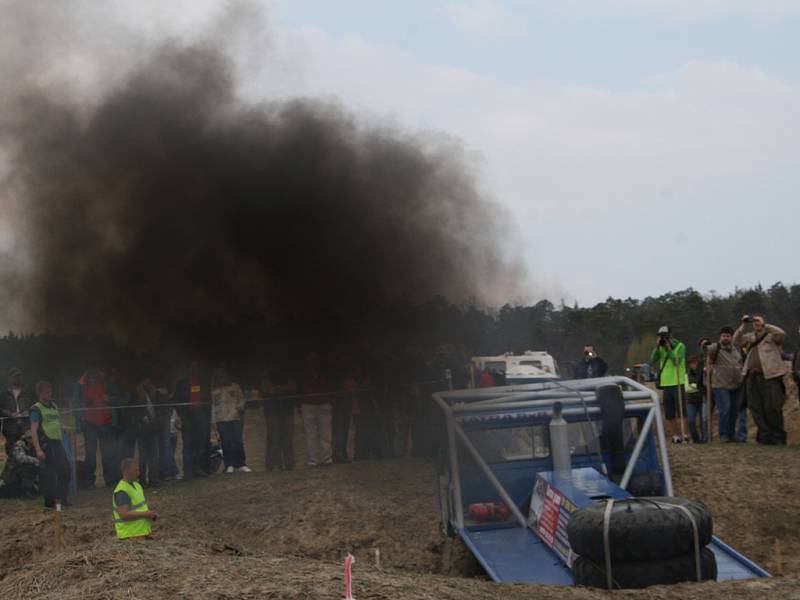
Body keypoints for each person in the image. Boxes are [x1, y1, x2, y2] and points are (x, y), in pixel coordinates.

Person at [734, 314, 789, 445]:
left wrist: (765, 325)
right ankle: (765, 436)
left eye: (758, 321)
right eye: (754, 322)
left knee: (772, 407)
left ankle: (778, 437)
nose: (756, 323)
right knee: (756, 407)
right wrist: (743, 324)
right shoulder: (750, 337)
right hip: (752, 376)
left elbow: (781, 333)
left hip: (770, 376)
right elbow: (737, 340)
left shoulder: (771, 336)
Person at [73, 364, 119, 487]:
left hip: (105, 421)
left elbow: (117, 397)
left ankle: (109, 480)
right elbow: (76, 403)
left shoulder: (106, 381)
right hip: (89, 423)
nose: (93, 371)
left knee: (107, 452)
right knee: (90, 454)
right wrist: (81, 415)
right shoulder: (80, 383)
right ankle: (89, 482)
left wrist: (109, 398)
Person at [30, 380, 71, 508]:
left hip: (57, 442)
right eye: (46, 392)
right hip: (45, 443)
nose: (49, 394)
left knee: (65, 469)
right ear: (40, 393)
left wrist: (65, 428)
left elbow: (56, 423)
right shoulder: (36, 409)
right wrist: (38, 450)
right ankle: (49, 503)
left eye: (50, 391)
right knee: (49, 474)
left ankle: (61, 498)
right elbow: (34, 431)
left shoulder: (54, 406)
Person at [703, 327, 746, 443]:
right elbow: (706, 349)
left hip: (736, 385)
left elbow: (741, 363)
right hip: (720, 385)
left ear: (731, 337)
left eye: (728, 336)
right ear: (720, 336)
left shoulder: (736, 349)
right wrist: (705, 345)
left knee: (734, 411)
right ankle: (723, 435)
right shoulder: (715, 347)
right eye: (724, 336)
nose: (726, 338)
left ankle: (731, 435)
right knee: (725, 410)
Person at [650, 326, 689, 443]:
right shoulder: (660, 348)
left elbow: (677, 362)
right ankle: (675, 436)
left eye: (665, 336)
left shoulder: (680, 346)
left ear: (670, 335)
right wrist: (658, 346)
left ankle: (685, 434)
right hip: (666, 384)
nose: (663, 338)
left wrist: (669, 349)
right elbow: (652, 359)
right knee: (669, 412)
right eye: (661, 336)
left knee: (681, 411)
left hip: (678, 382)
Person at [174, 361, 212, 479]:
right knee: (188, 444)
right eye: (192, 367)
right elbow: (177, 401)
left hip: (202, 417)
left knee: (201, 444)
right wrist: (182, 416)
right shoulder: (182, 384)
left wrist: (208, 417)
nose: (194, 370)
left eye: (196, 367)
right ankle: (188, 470)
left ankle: (199, 468)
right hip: (188, 418)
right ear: (188, 369)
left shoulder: (204, 382)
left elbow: (208, 400)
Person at [211, 367, 250, 473]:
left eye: (223, 375)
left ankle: (241, 464)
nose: (221, 378)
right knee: (226, 442)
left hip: (235, 417)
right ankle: (229, 464)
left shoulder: (235, 386)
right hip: (221, 419)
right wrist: (213, 420)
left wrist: (239, 407)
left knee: (237, 441)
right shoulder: (214, 390)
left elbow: (242, 398)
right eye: (219, 376)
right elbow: (212, 405)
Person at [262, 364, 297, 471]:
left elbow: (293, 387)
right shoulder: (266, 376)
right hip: (272, 412)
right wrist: (284, 389)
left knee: (288, 440)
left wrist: (278, 388)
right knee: (274, 440)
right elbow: (270, 391)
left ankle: (289, 464)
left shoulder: (288, 375)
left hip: (287, 411)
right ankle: (276, 465)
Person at [113, 457, 158, 540]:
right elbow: (124, 515)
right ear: (126, 472)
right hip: (130, 536)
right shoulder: (122, 491)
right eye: (135, 470)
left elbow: (139, 508)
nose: (138, 473)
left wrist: (149, 515)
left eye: (138, 470)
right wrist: (145, 514)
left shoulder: (137, 485)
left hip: (141, 533)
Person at [301, 353, 333, 467]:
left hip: (319, 404)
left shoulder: (323, 372)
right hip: (311, 404)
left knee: (321, 434)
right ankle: (317, 460)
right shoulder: (306, 373)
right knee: (315, 434)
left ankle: (322, 459)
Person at [1, 367, 32, 457]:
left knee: (26, 454)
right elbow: (1, 409)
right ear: (10, 378)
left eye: (19, 376)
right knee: (12, 454)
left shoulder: (27, 392)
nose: (18, 378)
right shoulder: (4, 393)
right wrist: (10, 414)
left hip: (25, 428)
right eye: (15, 376)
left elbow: (34, 406)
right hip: (11, 429)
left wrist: (28, 411)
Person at [0, 430, 40, 498]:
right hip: (12, 474)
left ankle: (27, 489)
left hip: (19, 475)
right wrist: (36, 461)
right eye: (34, 438)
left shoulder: (33, 447)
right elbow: (21, 458)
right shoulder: (18, 445)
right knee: (28, 466)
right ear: (28, 439)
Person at [685, 356, 707, 444]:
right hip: (691, 401)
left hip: (702, 400)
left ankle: (704, 438)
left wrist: (694, 386)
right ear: (689, 365)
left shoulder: (703, 373)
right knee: (690, 421)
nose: (693, 365)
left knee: (703, 421)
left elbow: (705, 386)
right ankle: (695, 439)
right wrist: (699, 386)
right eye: (691, 363)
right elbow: (688, 389)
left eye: (695, 362)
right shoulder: (686, 375)